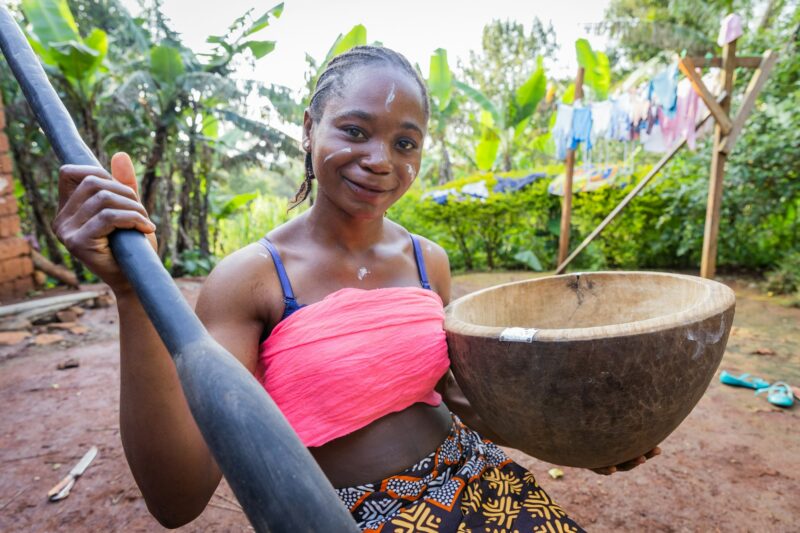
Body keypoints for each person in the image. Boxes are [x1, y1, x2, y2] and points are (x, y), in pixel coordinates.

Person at [54, 45, 656, 532]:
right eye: (354, 130)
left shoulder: (427, 262)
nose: (380, 160)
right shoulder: (255, 278)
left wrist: (582, 440)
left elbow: (464, 403)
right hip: (350, 516)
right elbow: (177, 498)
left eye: (405, 143)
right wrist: (132, 295)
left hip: (479, 483)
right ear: (310, 126)